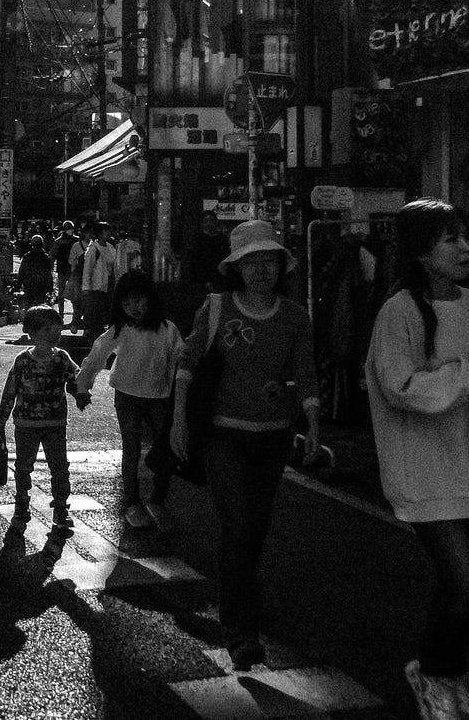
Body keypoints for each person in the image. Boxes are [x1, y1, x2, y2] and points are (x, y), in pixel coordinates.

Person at [366, 200, 469, 720]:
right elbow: (400, 388)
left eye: (465, 237)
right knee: (464, 583)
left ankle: (448, 676)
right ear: (419, 252)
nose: (465, 248)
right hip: (423, 473)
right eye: (449, 239)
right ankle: (431, 675)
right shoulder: (400, 311)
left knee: (461, 589)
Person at [169, 220, 321, 672]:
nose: (260, 270)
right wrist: (178, 418)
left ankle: (242, 598)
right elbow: (188, 361)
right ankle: (240, 630)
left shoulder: (294, 316)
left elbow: (306, 371)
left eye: (268, 261)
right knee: (238, 525)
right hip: (223, 435)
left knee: (254, 527)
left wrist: (313, 425)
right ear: (236, 268)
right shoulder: (216, 308)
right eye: (250, 262)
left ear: (281, 266)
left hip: (274, 438)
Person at [75, 270, 185, 529]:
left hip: (159, 397)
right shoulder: (121, 329)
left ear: (150, 298)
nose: (132, 308)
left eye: (137, 300)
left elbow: (182, 360)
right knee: (131, 450)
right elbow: (97, 355)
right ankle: (133, 502)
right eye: (126, 303)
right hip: (127, 397)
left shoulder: (168, 330)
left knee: (166, 450)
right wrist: (83, 386)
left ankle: (157, 500)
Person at [0, 305, 88, 531]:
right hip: (26, 424)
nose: (55, 334)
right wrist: (2, 417)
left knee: (59, 466)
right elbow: (10, 389)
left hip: (55, 423)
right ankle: (22, 501)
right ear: (32, 333)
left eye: (57, 329)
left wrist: (81, 394)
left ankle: (60, 506)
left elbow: (75, 381)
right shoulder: (22, 360)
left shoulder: (62, 358)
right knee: (24, 465)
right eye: (48, 330)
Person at [80, 221, 119, 340]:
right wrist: (86, 288)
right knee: (97, 314)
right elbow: (87, 270)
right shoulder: (93, 249)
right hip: (96, 287)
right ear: (100, 233)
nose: (109, 233)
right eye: (106, 231)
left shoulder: (111, 247)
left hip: (109, 285)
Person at [52, 221, 80, 322]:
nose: (71, 231)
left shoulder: (76, 240)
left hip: (73, 270)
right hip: (62, 270)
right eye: (69, 229)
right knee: (61, 294)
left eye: (72, 229)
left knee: (75, 294)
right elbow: (52, 255)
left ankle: (76, 315)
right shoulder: (58, 242)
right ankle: (60, 314)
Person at [18, 234, 54, 308]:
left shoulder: (27, 256)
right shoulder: (46, 258)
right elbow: (49, 274)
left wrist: (19, 282)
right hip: (42, 286)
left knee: (29, 306)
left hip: (29, 286)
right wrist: (50, 288)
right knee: (41, 307)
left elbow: (22, 271)